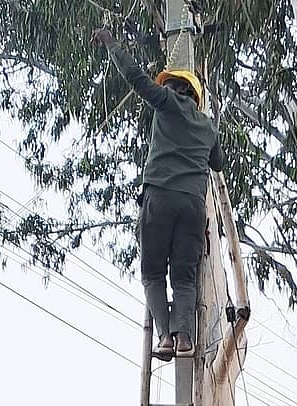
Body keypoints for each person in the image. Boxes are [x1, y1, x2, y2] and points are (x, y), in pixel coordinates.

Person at [91, 26, 224, 361]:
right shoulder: (206, 126)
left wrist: (110, 42)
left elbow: (135, 76)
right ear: (194, 96)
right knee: (184, 276)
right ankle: (184, 339)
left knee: (153, 272)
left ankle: (164, 337)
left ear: (172, 89)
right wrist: (211, 128)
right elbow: (218, 164)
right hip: (193, 205)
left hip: (160, 196)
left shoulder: (164, 102)